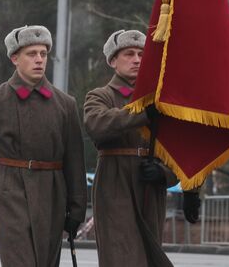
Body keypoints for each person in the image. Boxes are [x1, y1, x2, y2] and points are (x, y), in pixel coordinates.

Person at [0, 25, 87, 266]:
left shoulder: (66, 104)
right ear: (14, 58)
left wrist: (76, 208)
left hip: (52, 191)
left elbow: (74, 160)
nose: (39, 60)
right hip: (10, 191)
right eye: (31, 54)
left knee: (45, 262)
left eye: (43, 53)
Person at [83, 29, 200, 267]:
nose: (137, 59)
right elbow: (97, 125)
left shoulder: (161, 100)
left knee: (149, 257)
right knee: (119, 255)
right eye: (129, 54)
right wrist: (142, 113)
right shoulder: (100, 96)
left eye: (141, 54)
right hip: (114, 183)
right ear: (113, 61)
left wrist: (165, 174)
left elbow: (179, 147)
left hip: (150, 185)